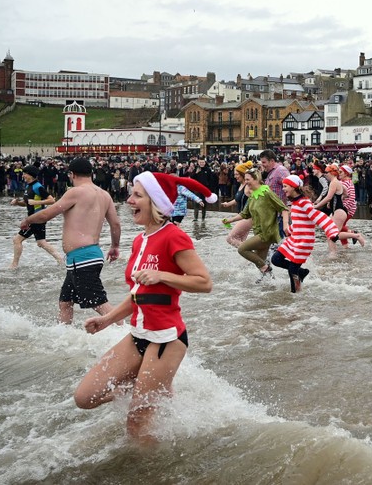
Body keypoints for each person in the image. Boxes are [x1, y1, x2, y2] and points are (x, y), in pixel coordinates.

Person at [74, 170, 213, 445]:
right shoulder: (140, 239)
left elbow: (204, 282)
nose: (128, 201)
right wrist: (108, 319)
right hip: (139, 335)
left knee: (137, 426)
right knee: (85, 397)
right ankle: (146, 388)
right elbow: (139, 293)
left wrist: (163, 275)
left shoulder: (174, 236)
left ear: (157, 203)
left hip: (166, 338)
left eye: (137, 195)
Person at [19, 158, 131, 324]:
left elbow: (46, 214)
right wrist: (115, 246)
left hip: (82, 258)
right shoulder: (104, 195)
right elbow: (115, 223)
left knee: (99, 303)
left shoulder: (75, 192)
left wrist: (28, 220)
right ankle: (64, 333)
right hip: (88, 256)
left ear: (72, 174)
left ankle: (125, 333)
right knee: (65, 302)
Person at [272, 175, 363, 293]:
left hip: (303, 241)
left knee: (292, 269)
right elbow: (300, 221)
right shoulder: (295, 202)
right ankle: (301, 273)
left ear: (293, 187)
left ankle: (295, 295)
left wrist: (333, 232)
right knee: (276, 259)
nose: (283, 189)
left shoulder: (304, 202)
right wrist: (290, 230)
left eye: (285, 186)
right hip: (294, 239)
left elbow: (320, 218)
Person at [234, 169, 288, 281]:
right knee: (260, 261)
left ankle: (266, 270)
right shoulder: (253, 195)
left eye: (248, 179)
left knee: (242, 249)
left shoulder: (267, 192)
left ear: (256, 179)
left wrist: (285, 226)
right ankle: (271, 282)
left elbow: (283, 208)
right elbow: (244, 214)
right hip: (258, 232)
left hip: (267, 233)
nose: (246, 182)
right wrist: (229, 220)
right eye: (245, 180)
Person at [9, 165, 63, 269]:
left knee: (17, 239)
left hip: (37, 218)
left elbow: (52, 200)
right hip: (34, 218)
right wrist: (17, 203)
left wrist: (36, 202)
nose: (23, 175)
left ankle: (14, 265)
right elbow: (27, 203)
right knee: (41, 242)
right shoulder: (28, 186)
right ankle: (60, 260)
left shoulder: (38, 187)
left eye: (25, 173)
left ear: (31, 175)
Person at [221, 161, 253, 248]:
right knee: (240, 240)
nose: (235, 176)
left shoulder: (248, 187)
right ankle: (248, 258)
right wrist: (227, 204)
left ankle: (251, 252)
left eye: (237, 174)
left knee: (230, 238)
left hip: (247, 217)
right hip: (241, 216)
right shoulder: (241, 185)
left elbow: (257, 199)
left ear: (243, 174)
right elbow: (237, 200)